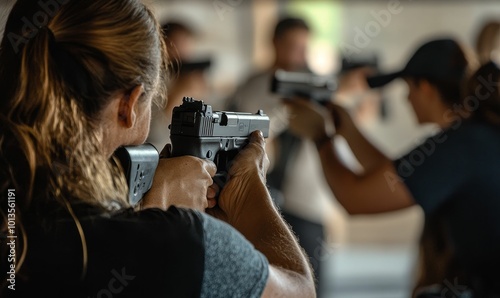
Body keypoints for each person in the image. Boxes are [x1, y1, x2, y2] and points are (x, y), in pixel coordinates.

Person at [0, 1, 315, 297]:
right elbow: (300, 290)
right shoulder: (180, 242)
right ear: (130, 104)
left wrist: (148, 208)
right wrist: (249, 192)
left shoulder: (12, 205)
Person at [285, 38, 500, 296]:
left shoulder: (458, 146)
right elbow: (390, 176)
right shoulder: (473, 137)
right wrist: (348, 129)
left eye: (408, 88)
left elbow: (357, 199)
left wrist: (320, 138)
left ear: (426, 88)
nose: (407, 98)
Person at [226, 17, 337, 295]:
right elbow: (253, 133)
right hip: (260, 194)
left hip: (308, 201)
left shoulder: (318, 85)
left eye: (304, 47)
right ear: (274, 43)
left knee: (310, 283)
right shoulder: (253, 86)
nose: (300, 55)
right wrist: (293, 107)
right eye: (292, 46)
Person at [148, 21, 211, 149]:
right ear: (162, 44)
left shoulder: (191, 80)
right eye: (178, 44)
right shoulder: (152, 80)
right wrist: (178, 93)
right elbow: (154, 134)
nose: (184, 52)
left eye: (187, 44)